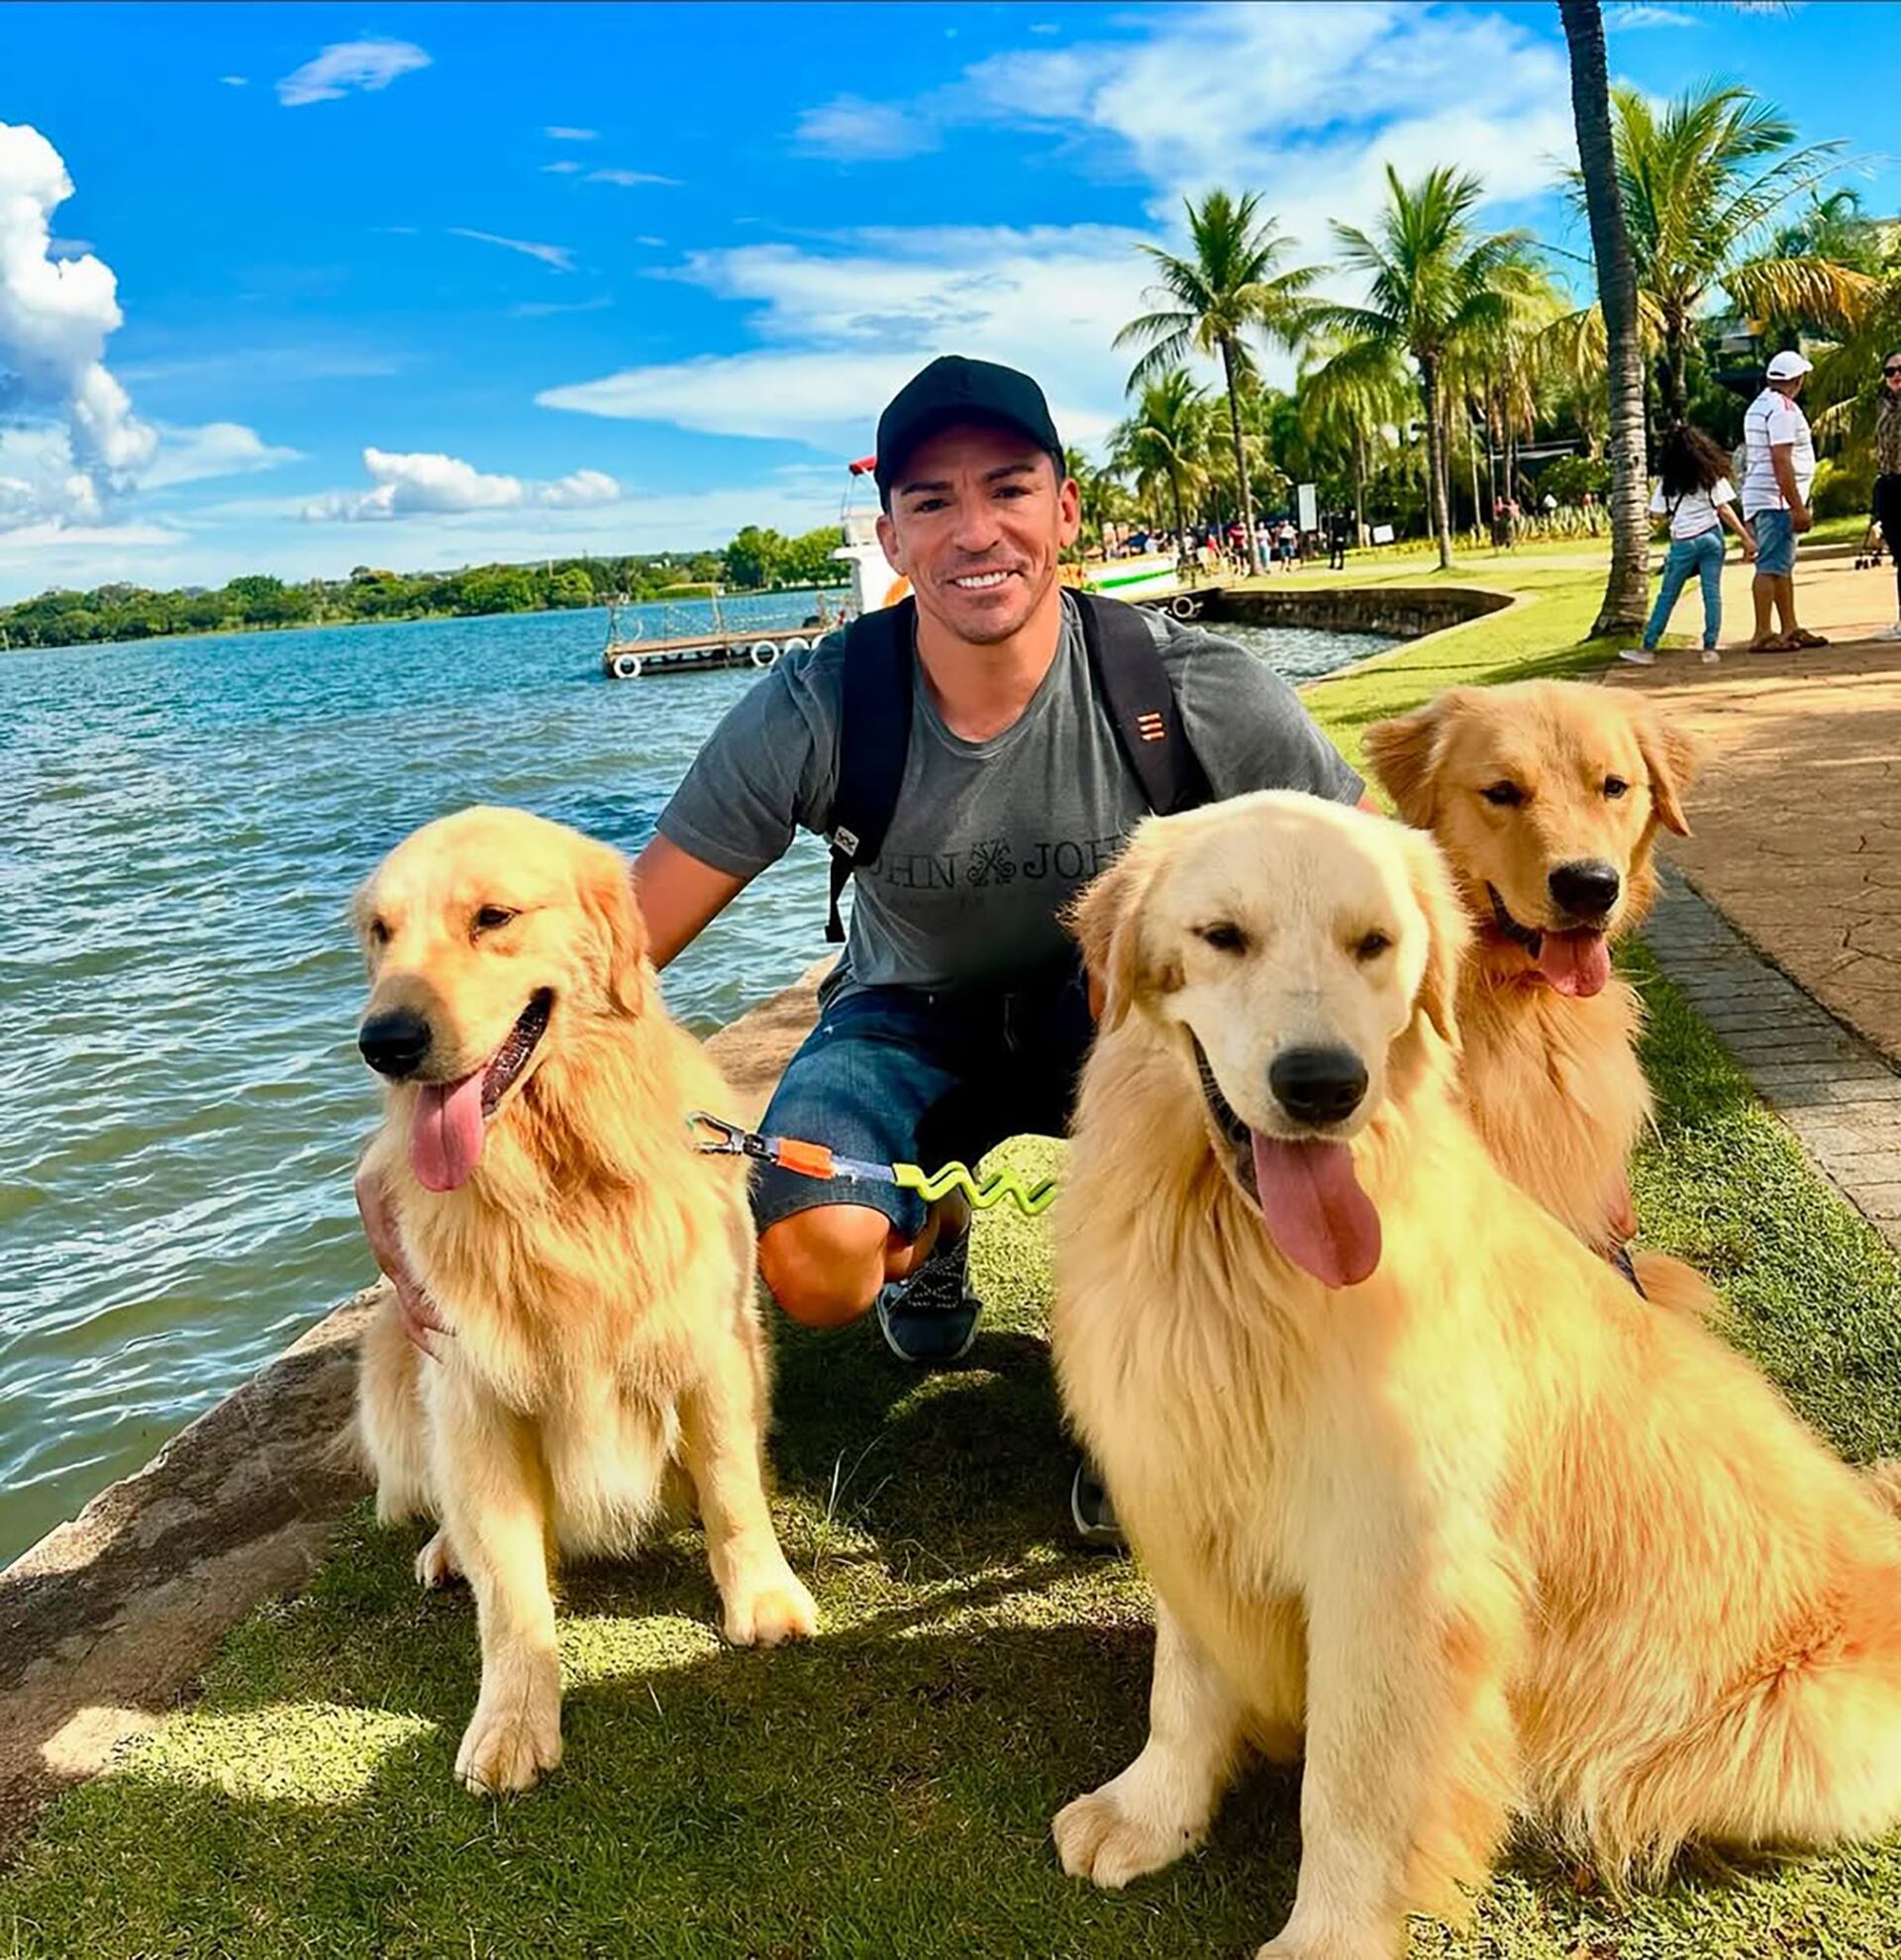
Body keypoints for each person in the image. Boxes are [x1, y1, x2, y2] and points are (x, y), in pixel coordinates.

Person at [356, 354, 1365, 1543]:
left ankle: (1150, 1419)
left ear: (1066, 510)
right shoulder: (825, 702)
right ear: (891, 537)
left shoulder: (1184, 688)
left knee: (1223, 1171)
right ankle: (923, 1232)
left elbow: (1379, 893)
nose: (974, 530)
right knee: (818, 1266)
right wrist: (417, 1137)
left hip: (1110, 1020)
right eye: (932, 502)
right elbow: (612, 950)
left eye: (1008, 488)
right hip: (906, 1018)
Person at [1619, 424, 1755, 667]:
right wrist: (1745, 538)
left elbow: (1657, 514)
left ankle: (1648, 647)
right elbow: (1724, 508)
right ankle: (1710, 648)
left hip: (1684, 542)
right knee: (1711, 593)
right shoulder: (1709, 475)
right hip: (1712, 538)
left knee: (1667, 596)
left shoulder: (1667, 483)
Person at [1741, 348, 1827, 653]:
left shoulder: (1758, 406)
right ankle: (1763, 632)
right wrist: (1797, 506)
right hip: (1776, 500)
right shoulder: (1783, 410)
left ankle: (1789, 627)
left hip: (1761, 496)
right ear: (1797, 380)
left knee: (1781, 565)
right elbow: (1781, 458)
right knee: (1769, 565)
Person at [1866, 346, 1901, 640]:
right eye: (1890, 371)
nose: (1896, 376)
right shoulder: (1885, 406)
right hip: (1891, 486)